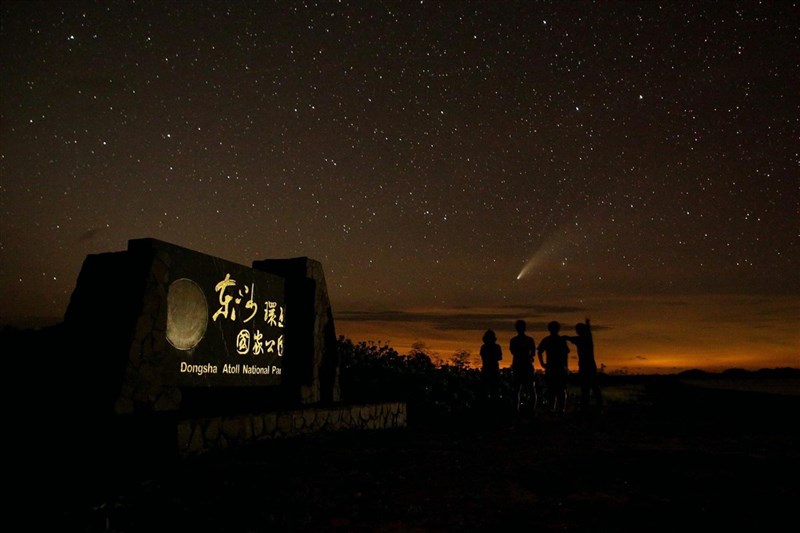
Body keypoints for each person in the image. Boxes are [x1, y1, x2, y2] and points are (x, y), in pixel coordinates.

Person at [565, 318, 603, 414]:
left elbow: (572, 338)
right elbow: (587, 334)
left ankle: (587, 408)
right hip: (589, 365)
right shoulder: (587, 339)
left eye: (577, 329)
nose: (576, 331)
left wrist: (566, 337)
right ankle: (596, 407)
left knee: (587, 387)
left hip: (586, 366)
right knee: (593, 387)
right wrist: (588, 325)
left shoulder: (582, 339)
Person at [537, 320, 570, 414]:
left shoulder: (549, 340)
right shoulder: (558, 340)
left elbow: (539, 351)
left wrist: (543, 364)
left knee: (555, 389)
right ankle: (558, 409)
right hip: (555, 368)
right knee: (558, 389)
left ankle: (556, 408)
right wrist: (543, 364)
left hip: (555, 368)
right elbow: (565, 355)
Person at [509, 319, 536, 413]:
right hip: (526, 366)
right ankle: (530, 410)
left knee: (517, 389)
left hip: (519, 366)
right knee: (530, 389)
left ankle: (516, 410)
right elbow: (533, 353)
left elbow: (513, 352)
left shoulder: (514, 340)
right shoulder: (529, 340)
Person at [479, 329, 502, 401]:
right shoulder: (496, 347)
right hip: (492, 369)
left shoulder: (484, 347)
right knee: (493, 390)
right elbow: (499, 357)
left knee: (487, 389)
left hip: (488, 369)